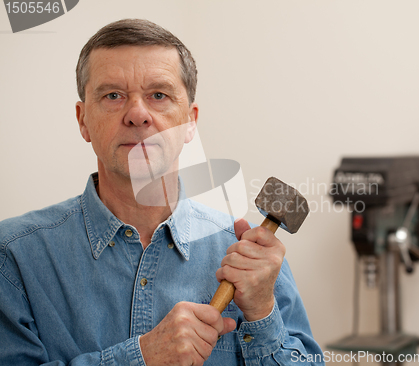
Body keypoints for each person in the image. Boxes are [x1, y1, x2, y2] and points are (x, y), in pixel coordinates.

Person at [0, 19, 324, 366]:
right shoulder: (13, 256)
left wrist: (261, 312)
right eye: (113, 95)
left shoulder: (253, 258)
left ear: (190, 122)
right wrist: (140, 358)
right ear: (83, 121)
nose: (138, 114)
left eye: (159, 95)